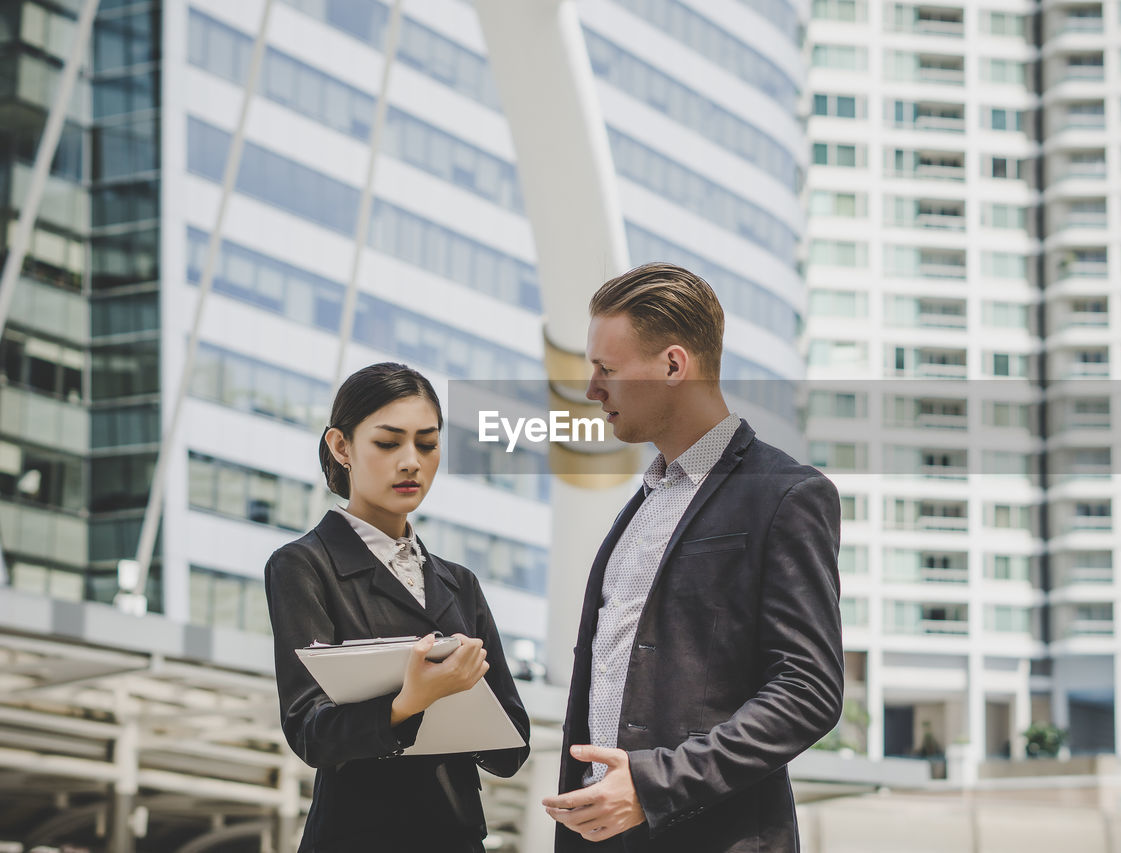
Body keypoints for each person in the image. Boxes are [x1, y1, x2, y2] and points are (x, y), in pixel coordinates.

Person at [542, 264, 844, 851]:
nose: (592, 389)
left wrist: (654, 785)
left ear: (673, 365)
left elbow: (808, 689)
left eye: (606, 369)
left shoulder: (785, 495)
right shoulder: (640, 507)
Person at [265, 362, 530, 852]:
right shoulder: (303, 565)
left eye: (427, 444)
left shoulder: (460, 583)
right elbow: (310, 733)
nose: (411, 461)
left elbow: (512, 745)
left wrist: (462, 700)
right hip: (356, 837)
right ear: (341, 447)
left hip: (456, 838)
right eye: (388, 443)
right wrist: (411, 702)